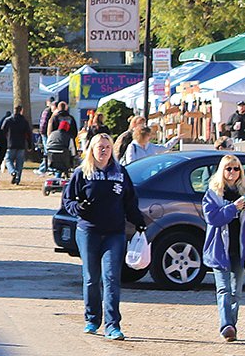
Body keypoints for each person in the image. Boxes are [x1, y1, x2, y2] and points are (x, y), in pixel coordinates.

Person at [62, 132, 146, 341]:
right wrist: (78, 208)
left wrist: (138, 221)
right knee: (91, 278)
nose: (103, 150)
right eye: (100, 147)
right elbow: (68, 200)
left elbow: (129, 201)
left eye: (107, 147)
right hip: (88, 231)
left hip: (114, 233)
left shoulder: (120, 172)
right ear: (92, 149)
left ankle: (112, 325)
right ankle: (92, 319)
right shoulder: (82, 173)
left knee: (111, 278)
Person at [202, 154, 245, 342]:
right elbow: (212, 219)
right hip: (220, 247)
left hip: (241, 247)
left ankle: (232, 324)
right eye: (228, 168)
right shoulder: (213, 194)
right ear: (222, 171)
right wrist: (233, 208)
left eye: (236, 168)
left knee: (236, 292)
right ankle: (226, 326)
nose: (232, 172)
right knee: (223, 289)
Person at [2, 105, 31, 185]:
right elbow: (28, 133)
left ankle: (12, 172)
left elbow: (2, 132)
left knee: (8, 160)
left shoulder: (8, 120)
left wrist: (2, 143)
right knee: (19, 163)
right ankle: (17, 179)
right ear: (21, 110)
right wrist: (29, 144)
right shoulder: (24, 121)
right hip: (21, 144)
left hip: (10, 144)